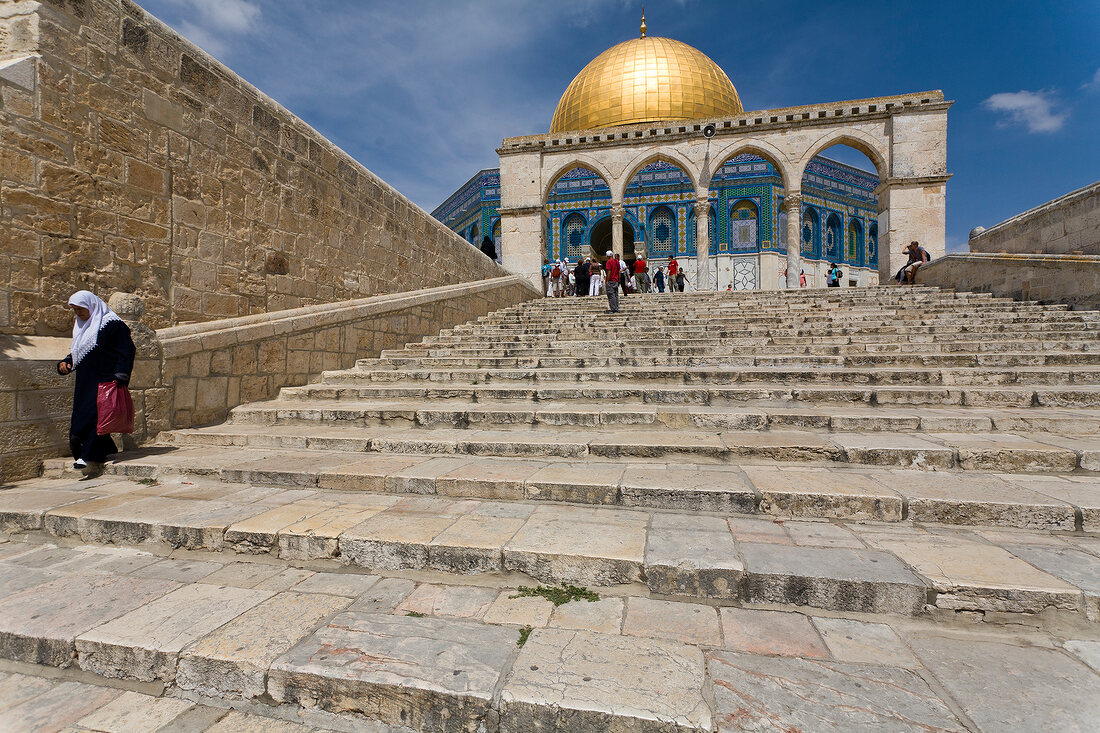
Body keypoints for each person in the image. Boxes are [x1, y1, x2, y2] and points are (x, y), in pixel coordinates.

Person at [57, 291, 135, 478]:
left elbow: (127, 350)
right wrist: (66, 363)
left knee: (94, 418)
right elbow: (80, 351)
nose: (78, 314)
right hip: (85, 382)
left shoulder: (114, 325)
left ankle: (87, 456)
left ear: (91, 306)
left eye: (81, 309)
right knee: (83, 416)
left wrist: (120, 376)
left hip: (106, 381)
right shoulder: (83, 326)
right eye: (75, 310)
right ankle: (103, 448)